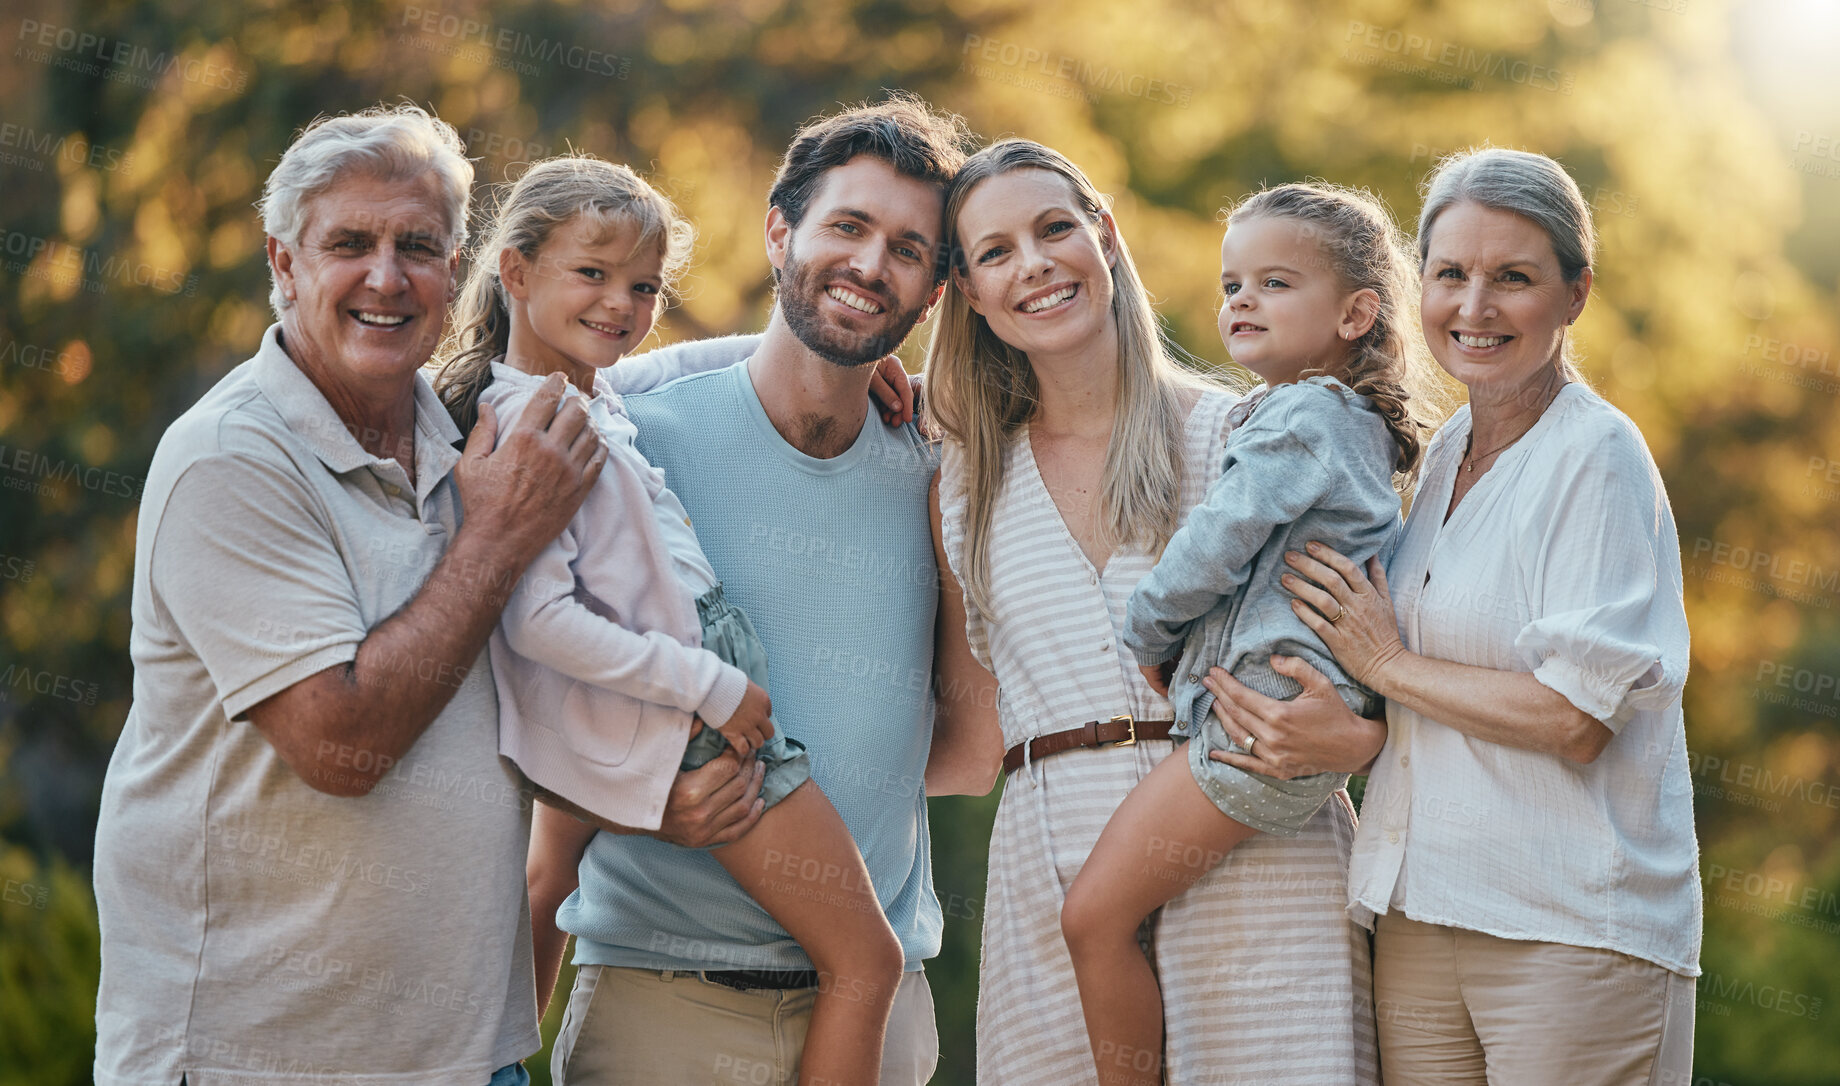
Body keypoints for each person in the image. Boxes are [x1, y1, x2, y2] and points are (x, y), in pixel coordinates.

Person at [92, 104, 605, 1085]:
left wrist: (877, 377)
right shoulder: (231, 459)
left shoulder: (472, 434)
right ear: (285, 265)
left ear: (455, 271)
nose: (386, 275)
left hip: (464, 1060)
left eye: (417, 245)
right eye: (350, 244)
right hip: (257, 1058)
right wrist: (497, 538)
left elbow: (630, 390)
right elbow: (340, 745)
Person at [532, 94, 999, 1086]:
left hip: (885, 1018)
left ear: (937, 290)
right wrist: (650, 805)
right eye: (847, 226)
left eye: (909, 250)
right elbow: (523, 705)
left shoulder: (940, 465)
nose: (871, 265)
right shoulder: (631, 437)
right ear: (780, 231)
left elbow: (965, 758)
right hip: (662, 1005)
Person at [430, 154, 905, 1085]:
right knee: (867, 960)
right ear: (515, 272)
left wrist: (854, 353)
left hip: (688, 681)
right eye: (593, 275)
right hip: (688, 708)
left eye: (643, 286)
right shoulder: (531, 430)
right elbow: (539, 622)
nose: (621, 304)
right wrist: (710, 684)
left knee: (545, 877)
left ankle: (489, 1067)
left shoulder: (587, 391)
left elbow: (692, 360)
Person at [925, 139, 1381, 1085]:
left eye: (1056, 229)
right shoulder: (961, 480)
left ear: (1106, 236)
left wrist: (1365, 742)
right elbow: (963, 734)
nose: (1036, 265)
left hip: (1259, 844)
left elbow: (1373, 643)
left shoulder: (1250, 432)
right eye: (996, 252)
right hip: (1052, 859)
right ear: (967, 292)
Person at [1275, 147, 1700, 1084]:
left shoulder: (1599, 457)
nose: (1474, 307)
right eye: (1451, 274)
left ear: (1576, 293)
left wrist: (1385, 664)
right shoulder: (1441, 454)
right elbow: (1432, 712)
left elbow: (1575, 718)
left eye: (1514, 277)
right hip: (1420, 910)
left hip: (1571, 927)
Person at [1060, 182, 1443, 1086]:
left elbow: (1218, 538)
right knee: (1122, 920)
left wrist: (1150, 630)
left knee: (1094, 919)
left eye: (1275, 283)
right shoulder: (1347, 425)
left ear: (1357, 313)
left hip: (1262, 723)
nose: (1242, 302)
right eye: (1233, 285)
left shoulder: (1306, 418)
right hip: (1277, 722)